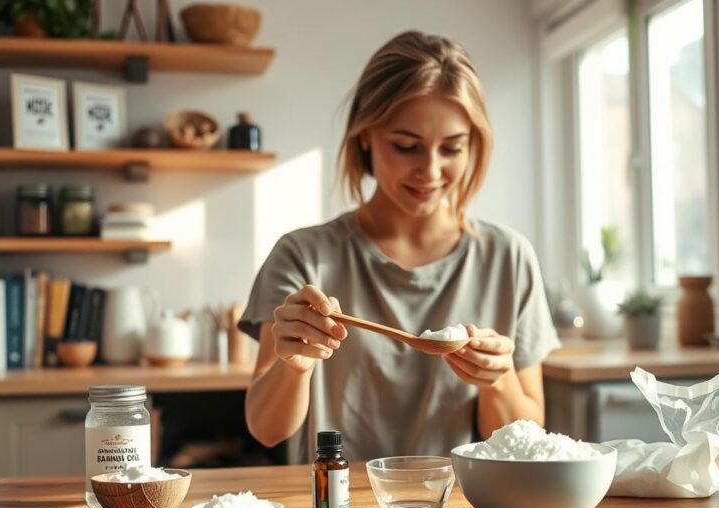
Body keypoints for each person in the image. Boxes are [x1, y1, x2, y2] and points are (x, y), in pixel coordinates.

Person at [238, 30, 559, 463]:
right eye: (406, 146)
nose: (430, 171)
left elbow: (526, 442)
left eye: (452, 148)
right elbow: (266, 429)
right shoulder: (302, 256)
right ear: (365, 135)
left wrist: (496, 382)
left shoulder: (509, 258)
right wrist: (295, 366)